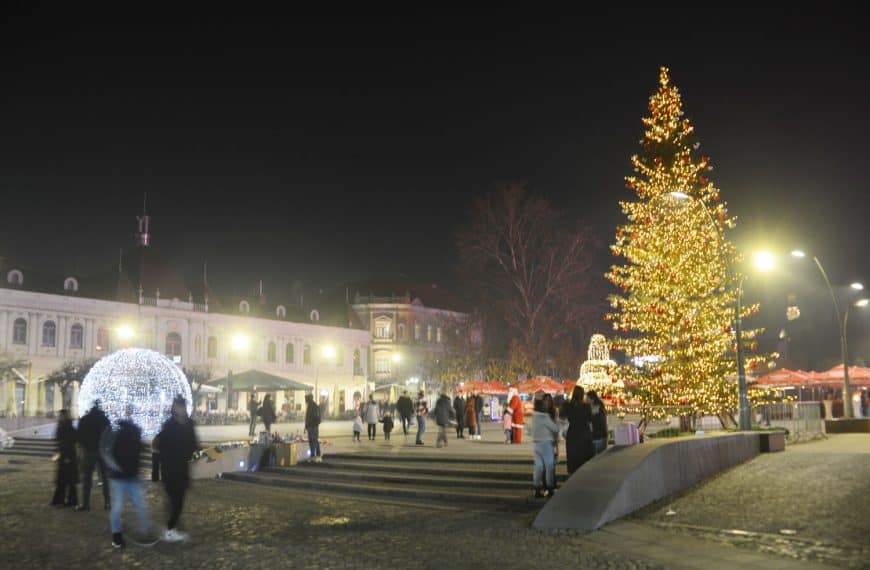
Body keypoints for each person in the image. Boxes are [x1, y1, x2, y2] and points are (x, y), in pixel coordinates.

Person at [101, 406, 154, 548]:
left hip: (130, 476)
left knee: (138, 505)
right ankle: (117, 535)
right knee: (120, 506)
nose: (129, 415)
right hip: (121, 477)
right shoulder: (120, 431)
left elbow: (137, 451)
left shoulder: (131, 431)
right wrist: (115, 466)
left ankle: (142, 531)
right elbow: (108, 451)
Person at [155, 395, 198, 542]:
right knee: (175, 501)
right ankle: (170, 529)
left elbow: (194, 445)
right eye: (177, 406)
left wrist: (194, 453)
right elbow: (159, 445)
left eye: (182, 406)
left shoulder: (189, 425)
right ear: (174, 408)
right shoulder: (169, 426)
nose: (180, 409)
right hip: (169, 469)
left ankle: (172, 526)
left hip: (182, 469)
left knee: (178, 501)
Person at [76, 400, 111, 511]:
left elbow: (79, 436)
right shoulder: (105, 420)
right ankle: (107, 503)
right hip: (103, 452)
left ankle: (86, 504)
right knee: (105, 478)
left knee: (87, 478)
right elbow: (109, 436)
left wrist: (85, 446)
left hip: (90, 451)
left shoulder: (85, 419)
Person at [561, 386, 595, 474]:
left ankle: (572, 475)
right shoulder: (586, 407)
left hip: (572, 433)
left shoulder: (567, 405)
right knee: (584, 457)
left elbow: (562, 418)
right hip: (584, 433)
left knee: (573, 457)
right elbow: (590, 420)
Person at [532, 392, 560, 498]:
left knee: (538, 467)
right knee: (549, 466)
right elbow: (555, 428)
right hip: (546, 444)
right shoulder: (545, 417)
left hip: (536, 444)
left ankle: (536, 489)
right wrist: (559, 424)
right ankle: (550, 488)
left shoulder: (534, 416)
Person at [50, 409, 78, 507]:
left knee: (67, 480)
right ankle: (60, 499)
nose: (59, 417)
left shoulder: (68, 428)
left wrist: (66, 456)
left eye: (61, 416)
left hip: (68, 456)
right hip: (64, 455)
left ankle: (68, 500)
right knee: (63, 479)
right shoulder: (63, 426)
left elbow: (69, 442)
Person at [304, 393, 322, 462]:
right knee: (312, 441)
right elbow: (308, 417)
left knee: (314, 440)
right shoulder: (311, 405)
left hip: (313, 427)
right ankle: (313, 455)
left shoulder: (313, 406)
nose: (305, 400)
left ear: (309, 399)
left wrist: (312, 425)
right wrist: (306, 425)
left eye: (306, 399)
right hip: (311, 426)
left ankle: (317, 454)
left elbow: (315, 417)